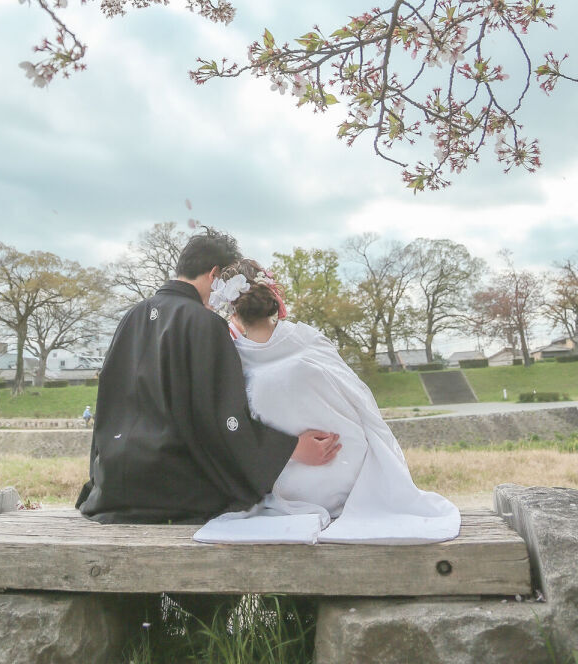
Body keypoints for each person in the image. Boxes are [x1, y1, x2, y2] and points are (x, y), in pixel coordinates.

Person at [76, 231, 342, 524]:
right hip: (171, 490)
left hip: (112, 484)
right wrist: (290, 448)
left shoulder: (132, 316)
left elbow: (108, 406)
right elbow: (222, 419)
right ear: (215, 274)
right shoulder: (205, 324)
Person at [195, 259, 460, 544]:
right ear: (272, 295)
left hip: (288, 484)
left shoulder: (233, 360)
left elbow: (232, 432)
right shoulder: (307, 339)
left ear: (232, 310)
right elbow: (360, 400)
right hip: (350, 470)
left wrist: (289, 449)